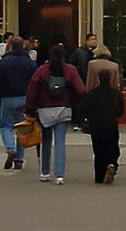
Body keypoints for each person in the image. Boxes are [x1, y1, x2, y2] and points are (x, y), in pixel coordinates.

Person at [25, 44, 85, 184]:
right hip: (64, 109)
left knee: (46, 141)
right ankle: (59, 175)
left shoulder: (42, 71)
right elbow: (80, 90)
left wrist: (30, 108)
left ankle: (45, 172)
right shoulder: (70, 70)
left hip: (45, 109)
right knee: (60, 142)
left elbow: (32, 90)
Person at [0, 35, 36, 170]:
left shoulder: (4, 62)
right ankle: (19, 159)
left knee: (6, 126)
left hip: (8, 97)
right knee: (21, 127)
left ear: (10, 47)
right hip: (24, 97)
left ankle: (10, 149)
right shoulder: (30, 62)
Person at [81, 63, 125, 184]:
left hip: (96, 126)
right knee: (112, 147)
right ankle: (112, 164)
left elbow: (84, 109)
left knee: (98, 150)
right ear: (110, 78)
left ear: (98, 79)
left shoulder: (91, 95)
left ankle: (99, 175)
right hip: (111, 124)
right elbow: (121, 111)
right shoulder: (116, 94)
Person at [68, 33, 97, 132]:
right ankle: (78, 121)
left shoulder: (96, 53)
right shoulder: (79, 52)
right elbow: (71, 64)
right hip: (81, 80)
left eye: (95, 39)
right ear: (87, 41)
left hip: (91, 80)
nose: (94, 41)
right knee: (79, 102)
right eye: (92, 39)